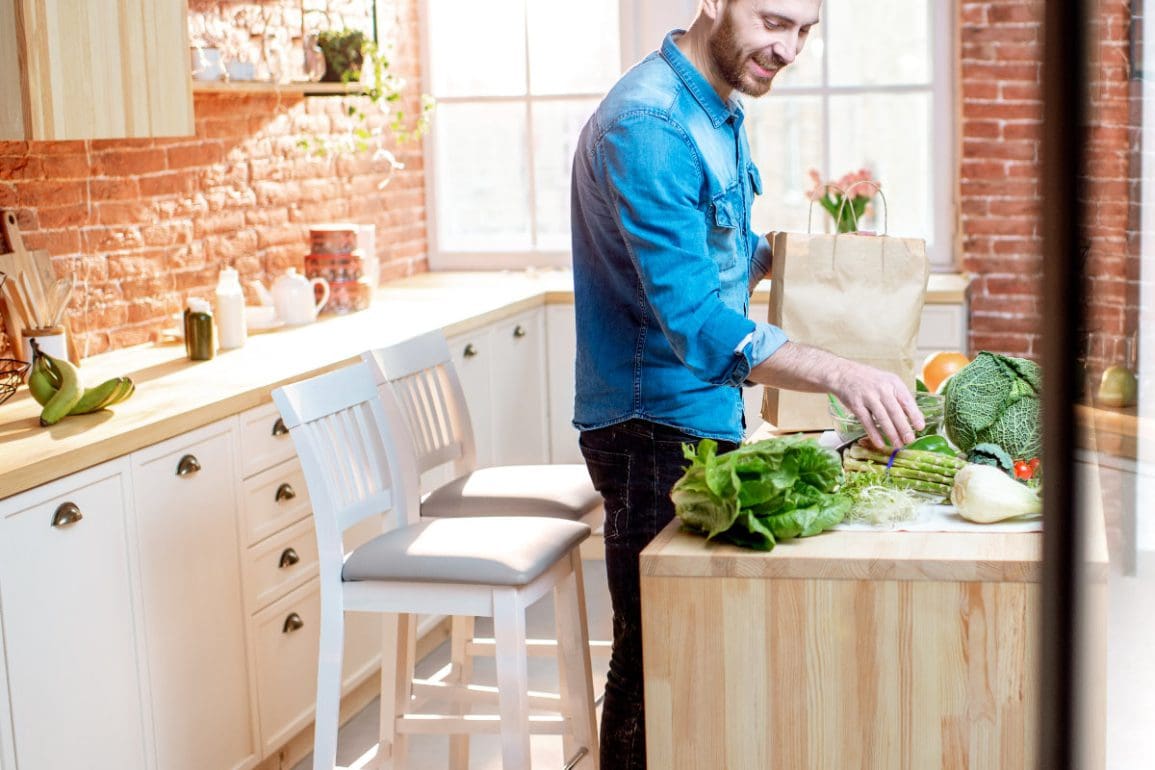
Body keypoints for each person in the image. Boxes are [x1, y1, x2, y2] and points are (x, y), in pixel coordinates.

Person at [569, 1, 924, 767]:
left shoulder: (714, 105)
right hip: (649, 427)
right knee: (653, 656)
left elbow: (715, 253)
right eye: (773, 20)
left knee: (695, 646)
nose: (788, 48)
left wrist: (808, 258)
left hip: (696, 412)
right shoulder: (650, 123)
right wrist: (839, 372)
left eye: (804, 30)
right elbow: (696, 320)